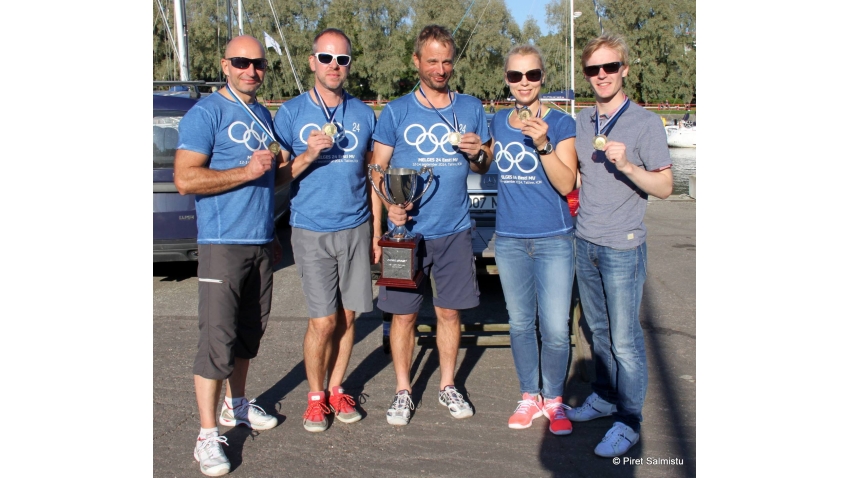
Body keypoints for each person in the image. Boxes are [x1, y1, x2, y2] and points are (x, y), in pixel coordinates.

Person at [369, 24, 492, 426]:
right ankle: (403, 391)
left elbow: (484, 162)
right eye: (432, 60)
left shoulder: (471, 107)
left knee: (450, 313)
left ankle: (447, 384)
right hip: (406, 235)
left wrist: (478, 153)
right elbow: (377, 169)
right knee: (403, 316)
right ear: (416, 61)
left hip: (454, 230)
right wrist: (388, 212)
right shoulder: (397, 111)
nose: (440, 68)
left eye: (446, 61)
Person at [174, 35, 282, 476]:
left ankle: (235, 405)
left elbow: (269, 180)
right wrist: (247, 171)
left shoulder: (261, 113)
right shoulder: (206, 113)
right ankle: (205, 436)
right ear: (225, 64)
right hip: (222, 244)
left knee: (248, 336)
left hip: (259, 242)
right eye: (241, 62)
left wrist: (306, 157)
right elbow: (185, 179)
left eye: (258, 64)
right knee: (216, 342)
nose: (251, 70)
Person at [566, 34, 673, 457]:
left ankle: (629, 419)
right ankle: (606, 397)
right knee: (598, 333)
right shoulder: (583, 122)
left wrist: (628, 165)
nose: (602, 75)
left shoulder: (645, 123)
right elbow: (575, 179)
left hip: (623, 246)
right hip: (585, 241)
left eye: (610, 67)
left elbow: (664, 186)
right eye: (594, 69)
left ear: (624, 69)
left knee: (626, 339)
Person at [272, 28, 376, 432]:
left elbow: (372, 175)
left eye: (342, 59)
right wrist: (308, 154)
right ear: (312, 61)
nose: (335, 66)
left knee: (348, 318)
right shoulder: (292, 112)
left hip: (355, 227)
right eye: (327, 58)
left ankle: (336, 388)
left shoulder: (364, 114)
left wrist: (376, 230)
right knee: (323, 321)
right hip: (311, 228)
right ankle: (315, 398)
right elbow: (278, 178)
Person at [489, 44, 578, 436]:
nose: (524, 83)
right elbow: (484, 162)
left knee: (556, 327)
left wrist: (542, 144)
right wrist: (476, 154)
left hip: (554, 237)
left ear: (543, 77)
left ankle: (554, 399)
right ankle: (530, 395)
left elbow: (566, 182)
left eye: (532, 75)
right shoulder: (497, 123)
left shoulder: (560, 123)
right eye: (515, 75)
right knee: (521, 323)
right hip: (509, 237)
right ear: (507, 80)